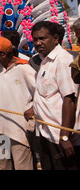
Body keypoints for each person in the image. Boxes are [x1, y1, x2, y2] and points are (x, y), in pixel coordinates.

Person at [24, 21, 80, 169]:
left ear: (56, 38)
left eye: (43, 38)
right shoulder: (44, 60)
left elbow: (69, 99)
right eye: (35, 39)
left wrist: (64, 135)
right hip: (45, 132)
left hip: (58, 135)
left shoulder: (62, 60)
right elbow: (47, 95)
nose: (38, 43)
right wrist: (34, 109)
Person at [0, 36, 35, 170]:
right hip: (0, 128)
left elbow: (41, 93)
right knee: (1, 165)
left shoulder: (24, 69)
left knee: (22, 166)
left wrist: (33, 109)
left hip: (19, 129)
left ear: (3, 54)